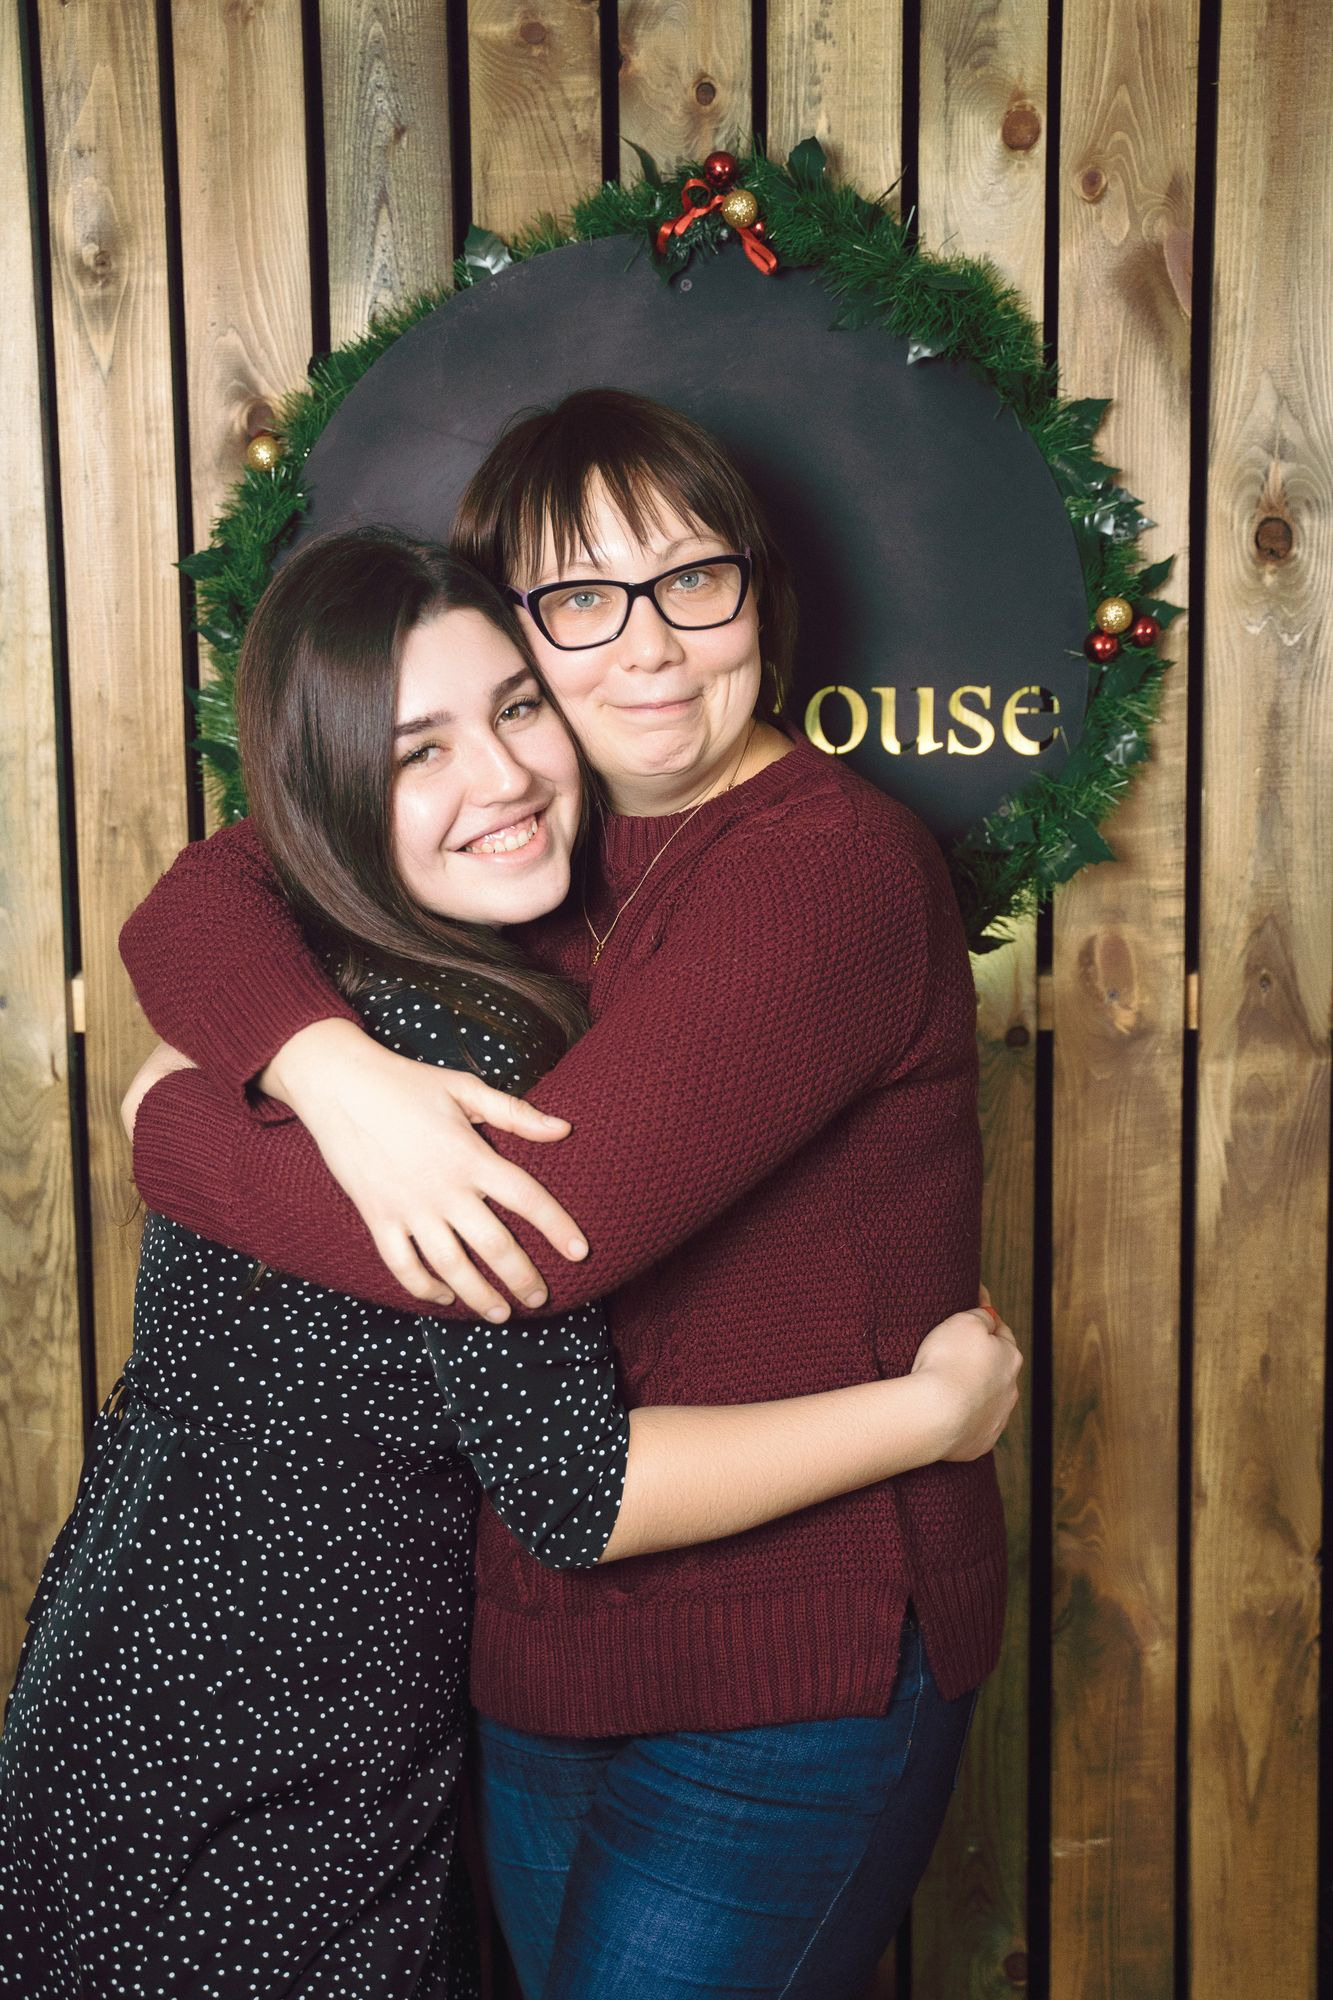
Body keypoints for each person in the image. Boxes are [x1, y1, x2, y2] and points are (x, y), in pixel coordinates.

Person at [1, 528, 1018, 2000]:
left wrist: (182, 1110)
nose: (499, 776)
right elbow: (572, 1473)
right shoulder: (452, 1033)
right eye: (416, 751)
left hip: (147, 1678)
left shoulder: (333, 971)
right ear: (326, 795)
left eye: (516, 708)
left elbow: (206, 917)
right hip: (265, 1738)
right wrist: (930, 1416)